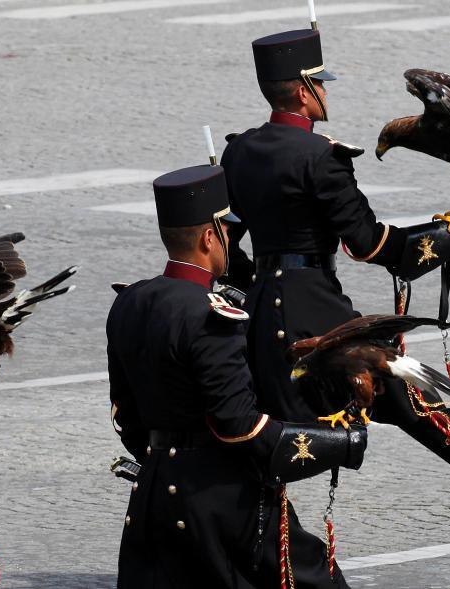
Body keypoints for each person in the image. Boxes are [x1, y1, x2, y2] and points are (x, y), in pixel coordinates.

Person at [219, 27, 450, 509]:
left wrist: (259, 293)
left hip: (263, 310)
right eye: (320, 84)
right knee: (394, 387)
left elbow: (228, 246)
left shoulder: (238, 150)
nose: (325, 92)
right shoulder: (322, 157)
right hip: (314, 307)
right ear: (302, 91)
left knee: (395, 393)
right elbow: (370, 244)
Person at [108, 163, 367, 588]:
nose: (230, 239)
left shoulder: (131, 302)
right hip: (222, 501)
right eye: (226, 231)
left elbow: (125, 414)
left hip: (153, 492)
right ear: (210, 237)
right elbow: (239, 426)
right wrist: (337, 443)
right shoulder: (211, 315)